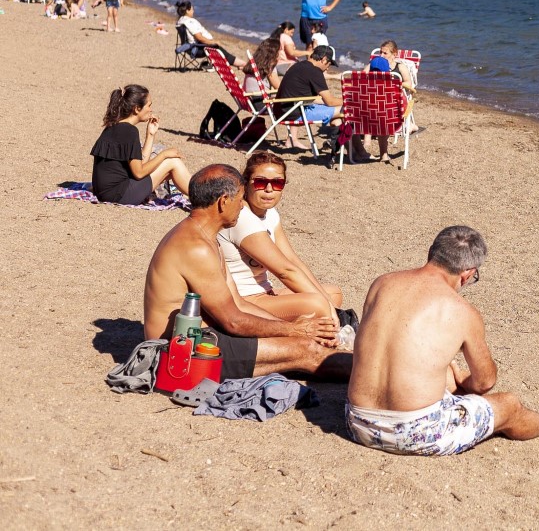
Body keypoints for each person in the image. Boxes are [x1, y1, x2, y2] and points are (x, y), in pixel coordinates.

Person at [346, 225, 539, 457]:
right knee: (509, 405)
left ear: (432, 253)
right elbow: (485, 382)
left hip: (358, 423)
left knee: (442, 375)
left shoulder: (382, 283)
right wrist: (465, 379)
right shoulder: (462, 311)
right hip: (415, 433)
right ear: (467, 274)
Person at [143, 164, 348, 380]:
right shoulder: (196, 248)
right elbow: (234, 321)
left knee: (302, 342)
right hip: (178, 352)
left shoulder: (207, 238)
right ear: (223, 202)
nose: (242, 206)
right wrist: (295, 331)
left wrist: (289, 327)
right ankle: (378, 373)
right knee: (309, 351)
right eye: (240, 199)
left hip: (201, 336)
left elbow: (239, 304)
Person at [217, 152, 343, 325]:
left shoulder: (270, 214)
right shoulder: (242, 217)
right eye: (261, 182)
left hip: (265, 292)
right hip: (244, 299)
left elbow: (292, 260)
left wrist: (325, 301)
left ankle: (298, 327)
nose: (269, 190)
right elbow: (284, 271)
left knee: (332, 294)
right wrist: (326, 307)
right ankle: (296, 331)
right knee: (319, 304)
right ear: (246, 184)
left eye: (277, 183)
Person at [91, 84, 192, 204]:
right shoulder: (129, 131)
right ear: (137, 109)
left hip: (107, 192)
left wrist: (150, 134)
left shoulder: (114, 126)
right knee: (172, 162)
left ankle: (202, 196)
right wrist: (164, 155)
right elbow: (139, 174)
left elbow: (140, 165)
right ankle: (204, 197)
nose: (150, 109)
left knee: (168, 167)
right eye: (149, 105)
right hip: (120, 195)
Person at [276, 45, 343, 146]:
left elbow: (310, 98)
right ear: (324, 59)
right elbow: (330, 102)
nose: (328, 68)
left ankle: (335, 143)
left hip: (282, 110)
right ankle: (356, 151)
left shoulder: (299, 65)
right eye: (329, 64)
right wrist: (350, 100)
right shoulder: (315, 71)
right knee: (346, 109)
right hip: (294, 114)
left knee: (337, 119)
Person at [174, 0, 245, 67]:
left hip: (189, 47)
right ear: (187, 11)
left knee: (219, 49)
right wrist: (212, 42)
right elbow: (199, 37)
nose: (193, 11)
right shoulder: (189, 22)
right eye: (192, 9)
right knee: (218, 49)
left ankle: (238, 63)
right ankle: (241, 64)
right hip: (196, 49)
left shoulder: (181, 21)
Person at [244, 32, 284, 99]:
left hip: (249, 99)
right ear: (274, 53)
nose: (281, 52)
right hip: (261, 101)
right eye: (280, 50)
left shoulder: (255, 63)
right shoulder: (269, 66)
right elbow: (279, 88)